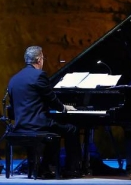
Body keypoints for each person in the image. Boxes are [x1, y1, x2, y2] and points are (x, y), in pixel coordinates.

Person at [7, 46, 82, 178]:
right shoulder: (39, 75)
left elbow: (14, 107)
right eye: (43, 58)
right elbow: (51, 99)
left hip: (20, 125)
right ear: (39, 60)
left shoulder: (14, 78)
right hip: (37, 124)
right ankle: (72, 169)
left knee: (54, 131)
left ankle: (45, 167)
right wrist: (64, 107)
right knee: (72, 129)